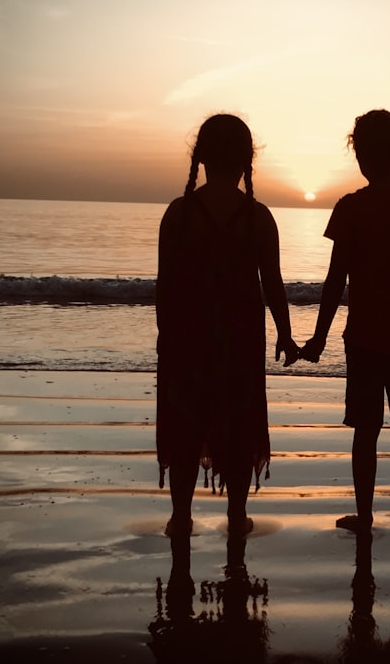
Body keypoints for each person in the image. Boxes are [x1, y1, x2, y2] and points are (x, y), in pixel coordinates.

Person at [156, 113, 299, 538]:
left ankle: (181, 515)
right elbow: (272, 285)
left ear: (200, 159)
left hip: (187, 338)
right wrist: (287, 336)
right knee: (237, 426)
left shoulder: (179, 214)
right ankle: (237, 516)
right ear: (246, 162)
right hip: (239, 340)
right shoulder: (258, 218)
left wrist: (166, 337)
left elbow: (166, 287)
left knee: (187, 422)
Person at [301, 109, 390, 534]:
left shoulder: (350, 209)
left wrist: (318, 338)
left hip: (363, 338)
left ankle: (364, 516)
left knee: (365, 430)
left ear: (359, 155)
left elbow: (333, 282)